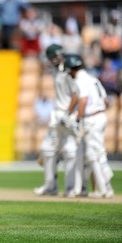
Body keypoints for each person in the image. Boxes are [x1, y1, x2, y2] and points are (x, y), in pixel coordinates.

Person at [63, 54, 114, 199]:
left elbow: (83, 99)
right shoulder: (93, 78)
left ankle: (107, 189)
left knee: (97, 154)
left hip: (92, 118)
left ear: (72, 70)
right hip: (100, 116)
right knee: (93, 154)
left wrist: (78, 119)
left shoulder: (80, 79)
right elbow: (106, 101)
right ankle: (102, 188)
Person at [33, 44, 77, 197]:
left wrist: (69, 113)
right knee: (47, 149)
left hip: (68, 115)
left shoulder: (69, 70)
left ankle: (71, 188)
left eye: (56, 56)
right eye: (53, 57)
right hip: (56, 115)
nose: (55, 60)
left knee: (70, 151)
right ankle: (50, 186)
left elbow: (77, 95)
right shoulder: (55, 70)